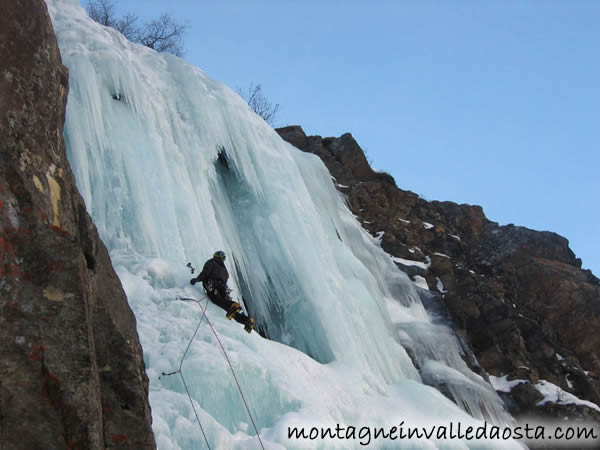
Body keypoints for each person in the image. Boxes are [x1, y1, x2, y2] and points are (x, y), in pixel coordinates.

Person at [191, 251, 254, 333]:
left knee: (215, 299)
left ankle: (233, 304)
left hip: (212, 285)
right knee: (227, 307)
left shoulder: (211, 262)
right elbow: (225, 281)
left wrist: (197, 279)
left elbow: (205, 273)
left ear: (216, 256)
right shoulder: (225, 270)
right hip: (222, 289)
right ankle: (246, 320)